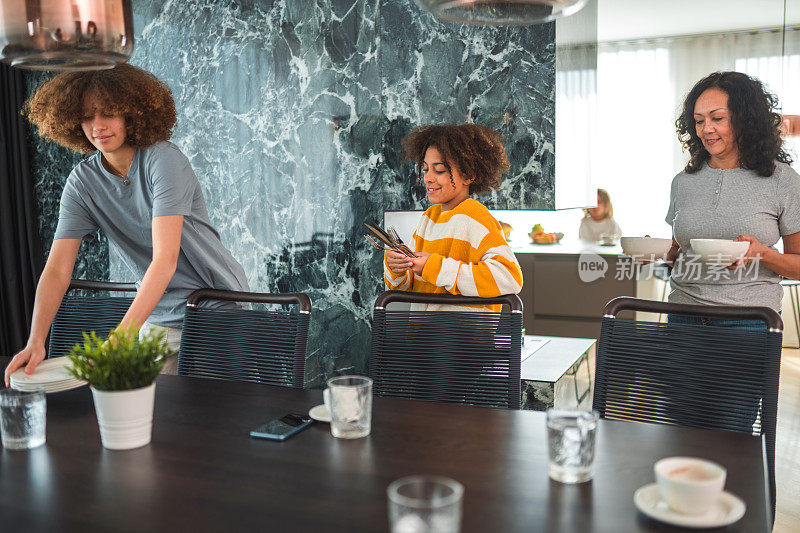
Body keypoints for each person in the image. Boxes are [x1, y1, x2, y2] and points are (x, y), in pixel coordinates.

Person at [4, 63, 249, 384]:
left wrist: (120, 338)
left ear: (132, 114)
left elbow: (165, 260)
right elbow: (57, 270)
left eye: (109, 113)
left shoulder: (163, 160)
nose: (98, 126)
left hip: (215, 307)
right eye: (87, 116)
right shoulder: (83, 182)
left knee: (201, 415)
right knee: (135, 406)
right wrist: (35, 341)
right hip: (158, 316)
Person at [666, 71, 800, 326]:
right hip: (684, 317)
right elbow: (678, 252)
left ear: (745, 121)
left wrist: (763, 254)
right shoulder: (683, 181)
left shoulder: (782, 180)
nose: (707, 129)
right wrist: (655, 253)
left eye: (717, 118)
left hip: (749, 322)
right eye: (698, 121)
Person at [383, 124, 523, 311]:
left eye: (439, 170)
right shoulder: (429, 218)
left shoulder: (476, 217)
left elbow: (511, 279)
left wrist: (434, 267)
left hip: (464, 339)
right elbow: (407, 287)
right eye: (425, 170)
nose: (428, 178)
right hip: (424, 338)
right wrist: (397, 267)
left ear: (469, 175)